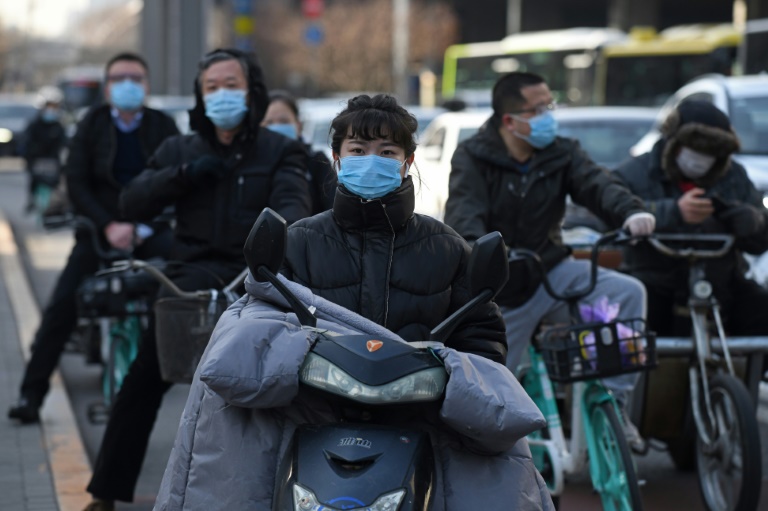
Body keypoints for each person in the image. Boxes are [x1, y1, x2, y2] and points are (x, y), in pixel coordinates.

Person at [152, 93, 554, 510]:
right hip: (310, 417)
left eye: (387, 151)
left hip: (420, 424)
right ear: (337, 158)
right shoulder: (298, 241)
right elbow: (261, 324)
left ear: (408, 161)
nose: (371, 160)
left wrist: (452, 376)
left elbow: (481, 338)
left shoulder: (449, 249)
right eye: (358, 150)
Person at [80, 48, 312, 511]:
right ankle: (104, 492)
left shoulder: (280, 150)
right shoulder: (180, 149)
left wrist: (271, 248)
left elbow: (294, 208)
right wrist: (183, 176)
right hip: (187, 284)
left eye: (231, 85)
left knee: (267, 393)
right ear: (200, 95)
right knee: (141, 383)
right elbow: (132, 201)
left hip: (254, 286)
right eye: (212, 87)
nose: (221, 95)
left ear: (252, 91)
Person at [443, 71, 655, 451]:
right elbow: (464, 213)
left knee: (627, 293)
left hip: (552, 272)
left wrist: (630, 212)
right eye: (538, 109)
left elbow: (598, 185)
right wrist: (482, 253)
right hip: (501, 289)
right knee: (489, 393)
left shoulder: (563, 152)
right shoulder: (472, 156)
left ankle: (615, 404)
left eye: (550, 105)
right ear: (510, 121)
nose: (548, 116)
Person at [7, 52, 179, 425]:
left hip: (151, 231)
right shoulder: (91, 124)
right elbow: (77, 181)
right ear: (107, 86)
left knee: (186, 297)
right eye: (119, 78)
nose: (128, 85)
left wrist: (143, 227)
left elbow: (175, 180)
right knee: (61, 308)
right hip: (98, 232)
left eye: (136, 78)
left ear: (147, 85)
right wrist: (108, 226)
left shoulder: (163, 125)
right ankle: (30, 395)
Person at [613, 100, 768, 352]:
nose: (701, 159)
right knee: (630, 328)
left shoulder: (734, 176)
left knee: (761, 309)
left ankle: (748, 375)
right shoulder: (634, 173)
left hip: (722, 285)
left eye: (711, 153)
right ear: (672, 143)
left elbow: (760, 241)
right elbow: (611, 218)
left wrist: (753, 221)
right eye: (694, 149)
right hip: (655, 283)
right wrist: (672, 212)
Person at [261, 89, 337, 213]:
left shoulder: (317, 162)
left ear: (298, 125)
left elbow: (333, 208)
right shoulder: (250, 163)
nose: (276, 127)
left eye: (284, 121)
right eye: (269, 122)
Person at [20, 88, 68, 213]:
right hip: (37, 161)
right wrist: (29, 158)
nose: (51, 110)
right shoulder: (34, 125)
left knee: (56, 187)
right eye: (49, 106)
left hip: (53, 162)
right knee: (34, 182)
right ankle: (32, 201)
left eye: (54, 107)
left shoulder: (58, 126)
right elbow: (26, 143)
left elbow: (64, 144)